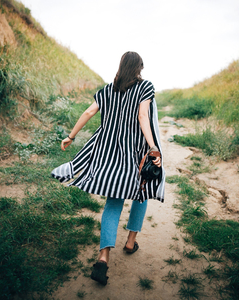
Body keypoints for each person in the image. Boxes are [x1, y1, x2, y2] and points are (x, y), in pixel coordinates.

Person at [51, 51, 165, 286]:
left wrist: (71, 137)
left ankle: (103, 258)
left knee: (113, 202)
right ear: (139, 68)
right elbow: (143, 116)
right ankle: (131, 242)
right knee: (141, 191)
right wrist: (153, 147)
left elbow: (89, 112)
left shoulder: (106, 90)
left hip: (108, 153)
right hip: (134, 151)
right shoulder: (145, 88)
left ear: (121, 66)